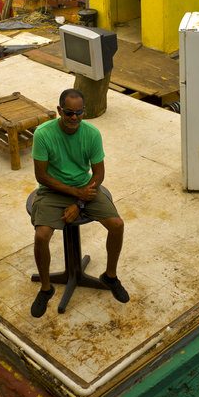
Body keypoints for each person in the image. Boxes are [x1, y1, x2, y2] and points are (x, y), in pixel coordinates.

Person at [29, 88, 129, 317]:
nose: (74, 118)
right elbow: (41, 176)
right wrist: (75, 193)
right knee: (42, 235)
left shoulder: (92, 134)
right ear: (59, 111)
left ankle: (110, 276)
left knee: (117, 225)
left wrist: (81, 201)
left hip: (86, 189)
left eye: (79, 112)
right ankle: (46, 288)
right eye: (68, 113)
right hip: (52, 189)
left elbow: (99, 173)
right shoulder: (43, 134)